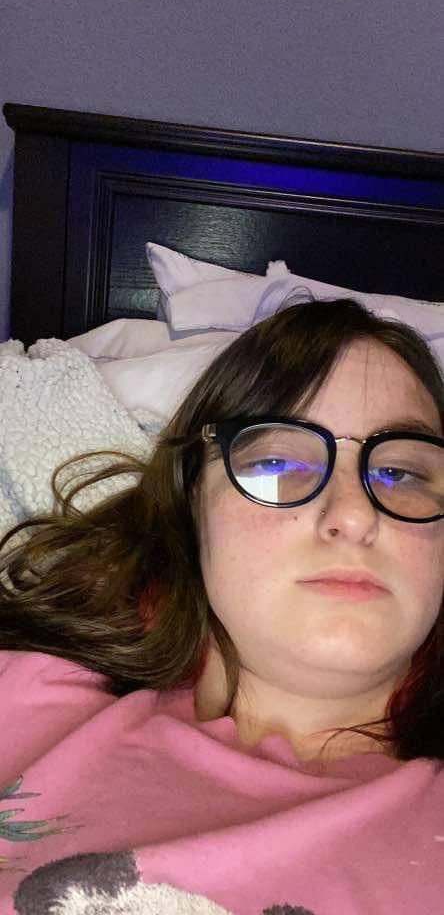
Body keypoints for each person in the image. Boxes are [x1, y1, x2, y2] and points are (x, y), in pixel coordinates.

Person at [0, 297, 443, 915]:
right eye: (277, 462)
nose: (352, 516)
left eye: (401, 474)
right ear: (190, 506)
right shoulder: (25, 693)